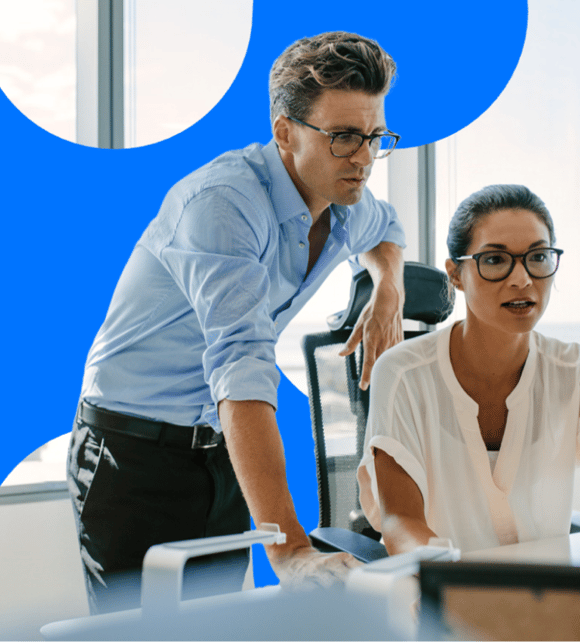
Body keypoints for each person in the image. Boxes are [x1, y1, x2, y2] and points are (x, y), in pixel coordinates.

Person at [69, 31, 408, 614]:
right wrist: (292, 553)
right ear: (285, 131)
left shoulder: (345, 199)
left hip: (222, 450)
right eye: (345, 137)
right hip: (133, 450)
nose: (364, 157)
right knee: (136, 635)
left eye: (376, 136)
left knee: (218, 625)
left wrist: (389, 291)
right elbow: (242, 366)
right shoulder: (223, 204)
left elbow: (388, 231)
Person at [357, 184, 580, 571]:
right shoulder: (402, 374)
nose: (522, 279)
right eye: (496, 260)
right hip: (438, 609)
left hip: (546, 607)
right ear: (457, 274)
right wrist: (460, 584)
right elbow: (401, 521)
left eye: (538, 257)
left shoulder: (578, 372)